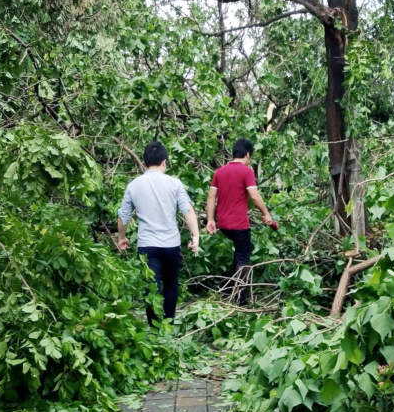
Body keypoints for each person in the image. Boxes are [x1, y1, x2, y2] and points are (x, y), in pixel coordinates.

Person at [117, 141, 199, 324]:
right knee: (171, 285)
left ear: (145, 163)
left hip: (147, 245)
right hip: (171, 244)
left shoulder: (134, 185)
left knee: (150, 287)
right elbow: (188, 211)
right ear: (164, 161)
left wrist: (121, 237)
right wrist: (195, 236)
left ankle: (153, 328)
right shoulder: (174, 183)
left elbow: (123, 216)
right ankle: (168, 323)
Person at [205, 137, 276, 305]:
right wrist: (266, 213)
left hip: (223, 225)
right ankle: (241, 299)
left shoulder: (219, 172)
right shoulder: (246, 171)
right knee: (243, 258)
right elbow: (254, 195)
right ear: (248, 154)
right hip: (239, 225)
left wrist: (210, 219)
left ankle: (229, 288)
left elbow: (211, 196)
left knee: (238, 254)